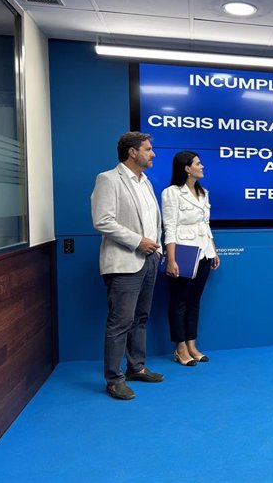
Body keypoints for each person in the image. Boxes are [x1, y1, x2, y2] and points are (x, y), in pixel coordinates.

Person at [91, 132, 164, 400]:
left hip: (149, 261)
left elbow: (153, 221)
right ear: (132, 152)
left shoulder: (145, 182)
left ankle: (137, 368)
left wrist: (155, 249)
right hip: (124, 263)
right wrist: (138, 242)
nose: (153, 153)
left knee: (140, 319)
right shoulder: (108, 179)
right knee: (120, 322)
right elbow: (103, 220)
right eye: (148, 149)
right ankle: (114, 379)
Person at [162, 151, 219, 366]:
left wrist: (213, 250)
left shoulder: (204, 193)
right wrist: (171, 259)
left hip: (204, 252)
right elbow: (170, 226)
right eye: (198, 163)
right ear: (186, 168)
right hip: (184, 253)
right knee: (179, 301)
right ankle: (180, 347)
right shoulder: (172, 193)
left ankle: (192, 343)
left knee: (195, 301)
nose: (202, 166)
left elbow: (205, 225)